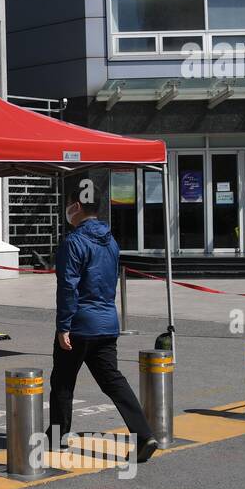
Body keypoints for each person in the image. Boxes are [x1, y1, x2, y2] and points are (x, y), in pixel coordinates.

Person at [50, 183, 157, 463]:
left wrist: (63, 326)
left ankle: (57, 436)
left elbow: (68, 288)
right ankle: (144, 434)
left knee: (63, 382)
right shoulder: (111, 241)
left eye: (69, 204)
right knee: (113, 380)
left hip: (79, 324)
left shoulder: (73, 242)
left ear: (76, 207)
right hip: (107, 322)